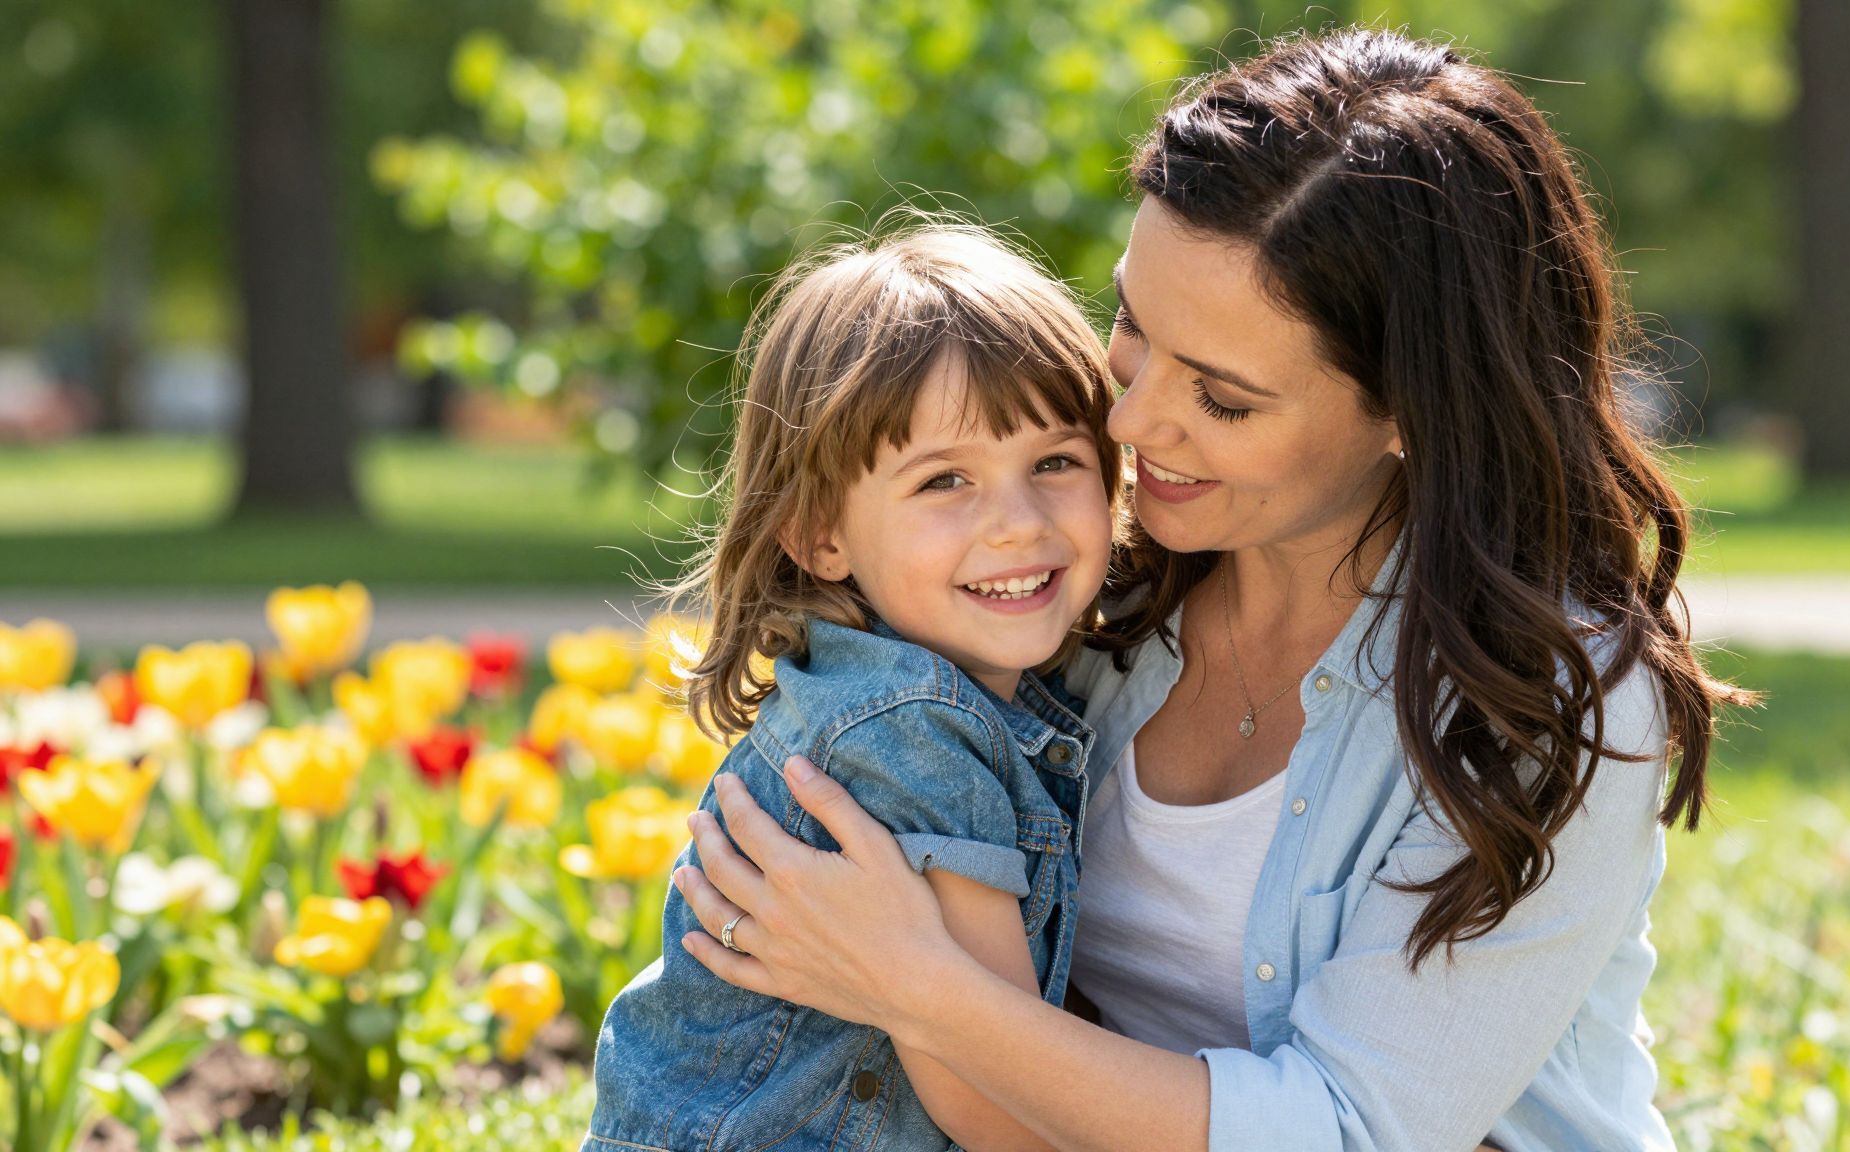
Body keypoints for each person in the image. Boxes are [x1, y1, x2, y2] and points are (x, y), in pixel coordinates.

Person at [670, 26, 1753, 1152]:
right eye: (1134, 325)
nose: (1128, 420)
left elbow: (1350, 1131)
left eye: (1222, 398)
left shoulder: (1543, 699)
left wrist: (914, 986)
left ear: (1411, 410)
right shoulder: (1070, 597)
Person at [582, 224, 1123, 1151]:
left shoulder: (916, 685)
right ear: (818, 534)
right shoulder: (911, 731)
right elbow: (998, 1105)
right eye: (945, 481)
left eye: (1055, 462)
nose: (1018, 522)